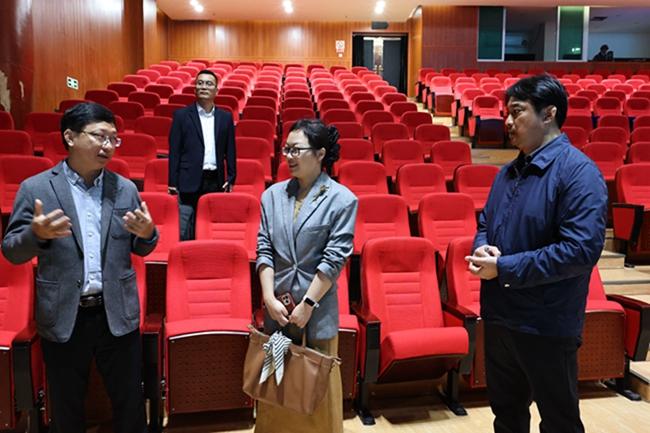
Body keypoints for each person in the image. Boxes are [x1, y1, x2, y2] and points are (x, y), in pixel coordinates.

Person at [1, 102, 158, 433]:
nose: (108, 145)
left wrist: (147, 234)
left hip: (116, 313)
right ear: (70, 137)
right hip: (64, 315)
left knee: (130, 405)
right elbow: (12, 252)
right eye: (100, 136)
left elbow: (141, 246)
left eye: (113, 139)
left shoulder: (124, 188)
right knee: (66, 408)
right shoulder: (37, 188)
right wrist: (35, 235)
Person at [465, 75, 607, 433]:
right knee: (507, 417)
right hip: (500, 316)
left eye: (517, 112)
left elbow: (580, 250)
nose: (508, 122)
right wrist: (481, 246)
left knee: (559, 422)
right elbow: (486, 222)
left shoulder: (579, 173)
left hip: (546, 323)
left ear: (548, 114)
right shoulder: (507, 173)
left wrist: (504, 267)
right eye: (506, 113)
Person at [255, 119, 357, 433]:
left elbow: (334, 259)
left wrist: (308, 304)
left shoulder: (342, 199)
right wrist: (268, 298)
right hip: (279, 310)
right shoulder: (272, 196)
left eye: (296, 150)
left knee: (318, 394)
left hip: (316, 311)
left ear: (320, 153)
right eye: (286, 149)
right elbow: (264, 249)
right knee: (275, 389)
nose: (289, 156)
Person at [168, 69, 236, 239]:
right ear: (195, 88)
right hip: (188, 177)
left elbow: (230, 150)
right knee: (187, 226)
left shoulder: (225, 117)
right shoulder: (181, 115)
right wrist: (172, 181)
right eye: (200, 83)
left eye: (208, 84)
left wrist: (231, 177)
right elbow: (174, 151)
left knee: (210, 222)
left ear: (216, 90)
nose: (204, 87)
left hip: (215, 179)